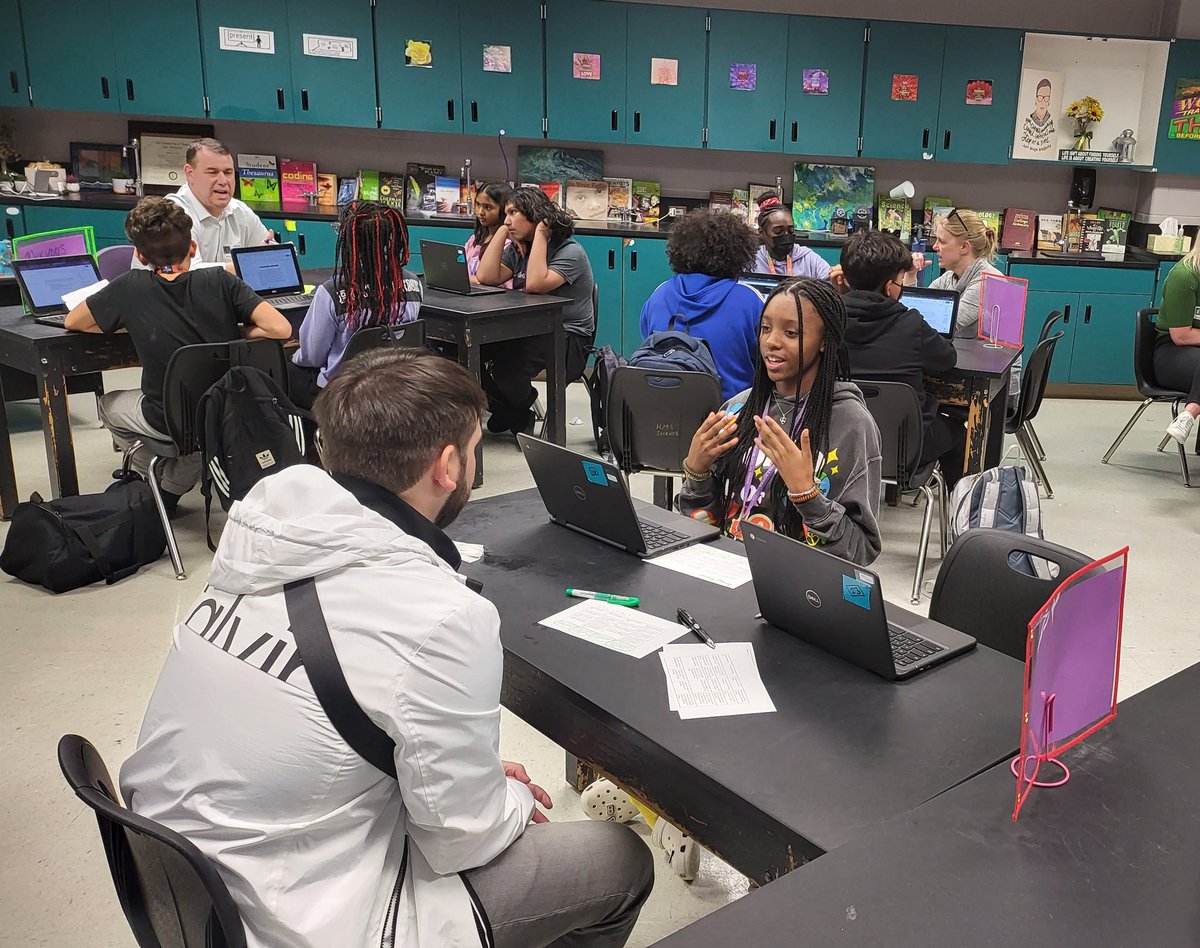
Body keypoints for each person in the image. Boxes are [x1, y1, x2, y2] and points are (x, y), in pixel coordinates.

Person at [118, 348, 654, 948]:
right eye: (473, 450)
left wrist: (465, 777)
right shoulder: (441, 618)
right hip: (301, 920)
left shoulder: (258, 540)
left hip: (197, 885)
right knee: (618, 861)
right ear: (447, 466)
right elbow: (464, 839)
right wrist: (507, 798)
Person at [64, 197, 291, 512]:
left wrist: (133, 321)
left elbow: (73, 321)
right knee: (199, 429)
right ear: (193, 248)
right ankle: (169, 487)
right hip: (226, 411)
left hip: (167, 418)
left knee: (108, 404)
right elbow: (280, 328)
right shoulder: (221, 281)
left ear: (140, 255)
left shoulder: (129, 287)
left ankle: (150, 482)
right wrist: (236, 334)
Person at [679, 277, 882, 565]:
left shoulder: (851, 424)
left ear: (825, 341)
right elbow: (703, 525)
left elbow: (861, 551)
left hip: (801, 582)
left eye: (791, 332)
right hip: (727, 571)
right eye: (765, 328)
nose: (771, 342)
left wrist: (807, 496)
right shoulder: (738, 410)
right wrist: (697, 474)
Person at [839, 231, 966, 485]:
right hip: (905, 450)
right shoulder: (911, 324)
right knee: (958, 434)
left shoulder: (826, 321)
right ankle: (960, 507)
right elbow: (947, 359)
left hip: (841, 444)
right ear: (890, 287)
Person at [476, 186, 596, 435]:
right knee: (473, 353)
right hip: (531, 330)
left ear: (535, 216)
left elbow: (535, 285)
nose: (507, 220)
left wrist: (541, 233)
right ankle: (514, 411)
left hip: (568, 336)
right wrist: (502, 232)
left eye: (514, 213)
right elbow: (486, 277)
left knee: (508, 366)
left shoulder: (570, 251)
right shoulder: (518, 249)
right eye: (506, 214)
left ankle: (515, 409)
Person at [289, 200, 423, 408]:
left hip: (346, 394)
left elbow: (312, 357)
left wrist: (293, 354)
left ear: (349, 241)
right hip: (396, 389)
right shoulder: (413, 284)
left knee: (287, 369)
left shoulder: (331, 292)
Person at [639, 208, 764, 400]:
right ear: (739, 254)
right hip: (730, 413)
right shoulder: (750, 301)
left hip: (664, 409)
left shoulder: (659, 294)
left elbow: (648, 341)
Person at [134, 138, 273, 269]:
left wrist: (267, 257)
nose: (223, 181)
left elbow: (273, 258)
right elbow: (188, 274)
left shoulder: (240, 211)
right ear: (190, 173)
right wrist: (250, 263)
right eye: (212, 172)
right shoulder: (173, 215)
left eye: (228, 173)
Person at [928, 207, 1019, 400]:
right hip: (969, 368)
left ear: (964, 247)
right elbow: (918, 313)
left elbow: (945, 327)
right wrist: (910, 276)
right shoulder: (951, 277)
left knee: (917, 394)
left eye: (942, 241)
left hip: (994, 389)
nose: (935, 246)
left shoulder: (989, 282)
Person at [1156, 241, 1200, 443]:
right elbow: (1181, 336)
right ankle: (1190, 412)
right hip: (1171, 351)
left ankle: (1189, 414)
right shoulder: (1185, 275)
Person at [752, 190, 831, 279]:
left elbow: (830, 280)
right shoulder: (753, 260)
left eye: (791, 231)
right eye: (778, 231)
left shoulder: (808, 258)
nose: (786, 236)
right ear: (762, 233)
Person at [464, 181, 512, 284]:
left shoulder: (508, 245)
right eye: (478, 204)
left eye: (488, 207)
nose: (480, 212)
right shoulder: (474, 239)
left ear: (504, 209)